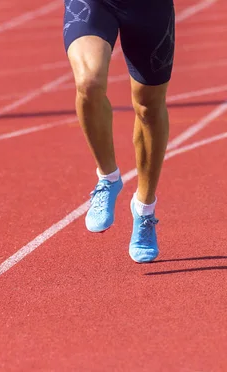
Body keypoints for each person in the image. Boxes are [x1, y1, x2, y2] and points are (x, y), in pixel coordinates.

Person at [63, 0, 175, 263]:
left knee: (148, 107)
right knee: (88, 83)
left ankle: (144, 209)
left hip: (149, 8)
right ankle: (108, 178)